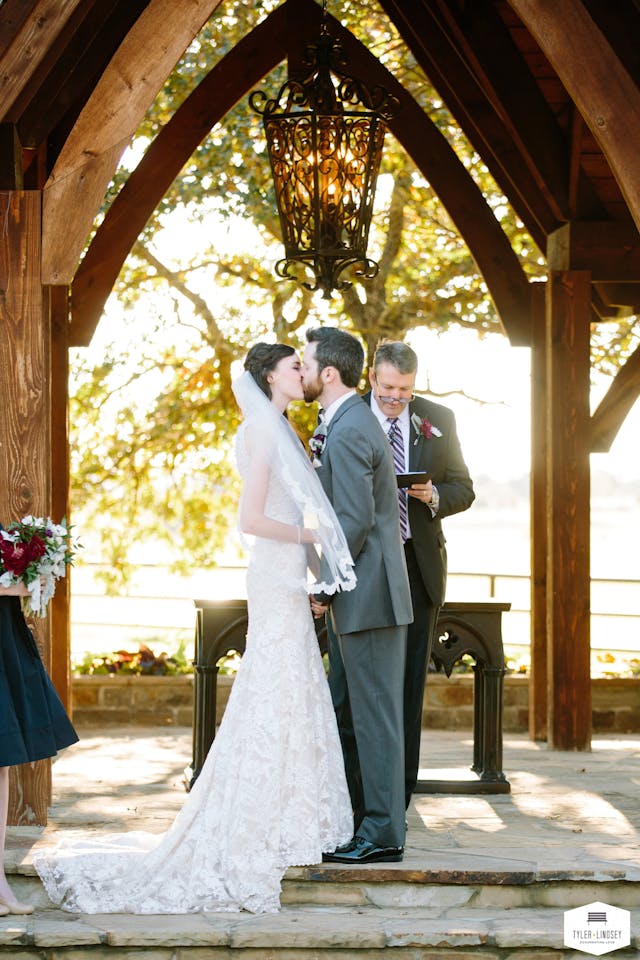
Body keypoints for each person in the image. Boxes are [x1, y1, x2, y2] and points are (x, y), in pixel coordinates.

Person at [34, 342, 355, 915]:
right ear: (269, 377)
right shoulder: (263, 431)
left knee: (290, 686)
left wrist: (315, 575)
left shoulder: (281, 427)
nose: (302, 372)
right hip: (273, 571)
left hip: (288, 575)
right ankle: (258, 818)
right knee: (274, 684)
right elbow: (251, 519)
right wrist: (310, 539)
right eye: (294, 366)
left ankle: (290, 814)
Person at [302, 327, 413, 865]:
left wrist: (323, 587)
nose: (301, 372)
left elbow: (353, 521)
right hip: (365, 593)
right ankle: (363, 821)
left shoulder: (347, 429)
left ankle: (384, 833)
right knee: (356, 714)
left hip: (368, 595)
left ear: (328, 372)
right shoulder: (345, 422)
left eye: (306, 364)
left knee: (375, 719)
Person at [366, 340, 475, 808]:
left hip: (417, 566)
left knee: (410, 685)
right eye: (388, 388)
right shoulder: (348, 416)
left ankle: (400, 797)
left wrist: (433, 497)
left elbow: (464, 489)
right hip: (364, 566)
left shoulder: (438, 419)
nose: (396, 398)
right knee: (360, 686)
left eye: (405, 390)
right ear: (373, 377)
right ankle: (359, 791)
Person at [0, 567, 79, 916]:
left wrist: (35, 575)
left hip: (4, 635)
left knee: (1, 762)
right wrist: (10, 585)